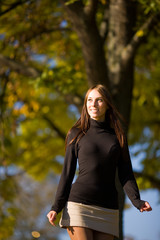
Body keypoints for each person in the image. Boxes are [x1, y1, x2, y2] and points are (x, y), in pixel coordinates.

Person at [47, 84, 152, 240]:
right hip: (79, 205)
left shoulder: (118, 136)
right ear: (85, 104)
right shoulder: (76, 133)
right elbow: (67, 173)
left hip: (108, 209)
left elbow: (126, 173)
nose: (93, 104)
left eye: (99, 100)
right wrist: (57, 207)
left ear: (108, 104)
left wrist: (137, 201)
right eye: (89, 100)